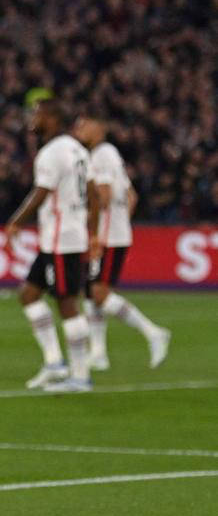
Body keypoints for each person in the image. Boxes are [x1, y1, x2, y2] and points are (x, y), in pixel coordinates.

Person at [4, 99, 98, 392]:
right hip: (60, 238)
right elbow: (94, 194)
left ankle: (80, 376)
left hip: (62, 240)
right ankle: (55, 363)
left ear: (52, 118)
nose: (32, 119)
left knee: (67, 303)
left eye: (37, 114)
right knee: (29, 295)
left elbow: (41, 192)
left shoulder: (52, 152)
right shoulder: (78, 149)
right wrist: (93, 233)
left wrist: (16, 221)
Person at [77, 117, 170, 369]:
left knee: (99, 293)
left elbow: (104, 197)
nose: (79, 130)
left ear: (100, 128)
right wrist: (122, 223)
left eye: (84, 125)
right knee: (91, 293)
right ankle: (98, 354)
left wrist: (92, 224)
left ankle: (153, 332)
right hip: (114, 233)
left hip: (106, 236)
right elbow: (132, 196)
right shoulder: (111, 154)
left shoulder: (100, 155)